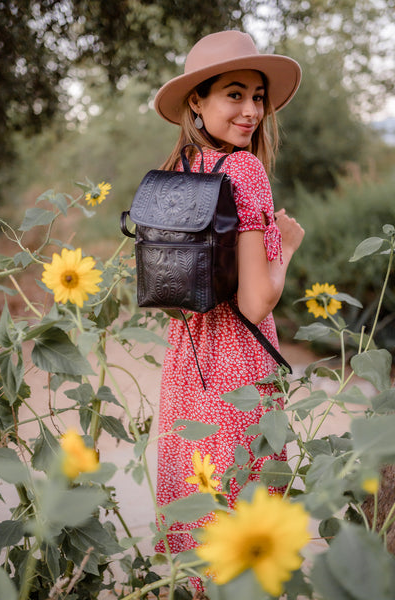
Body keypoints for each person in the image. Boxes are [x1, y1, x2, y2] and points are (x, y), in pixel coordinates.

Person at [153, 30, 305, 558]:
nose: (251, 111)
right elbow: (255, 302)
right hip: (238, 372)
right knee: (248, 536)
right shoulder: (244, 170)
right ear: (196, 100)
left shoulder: (175, 174)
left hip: (186, 373)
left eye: (257, 96)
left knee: (195, 523)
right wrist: (283, 249)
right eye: (233, 94)